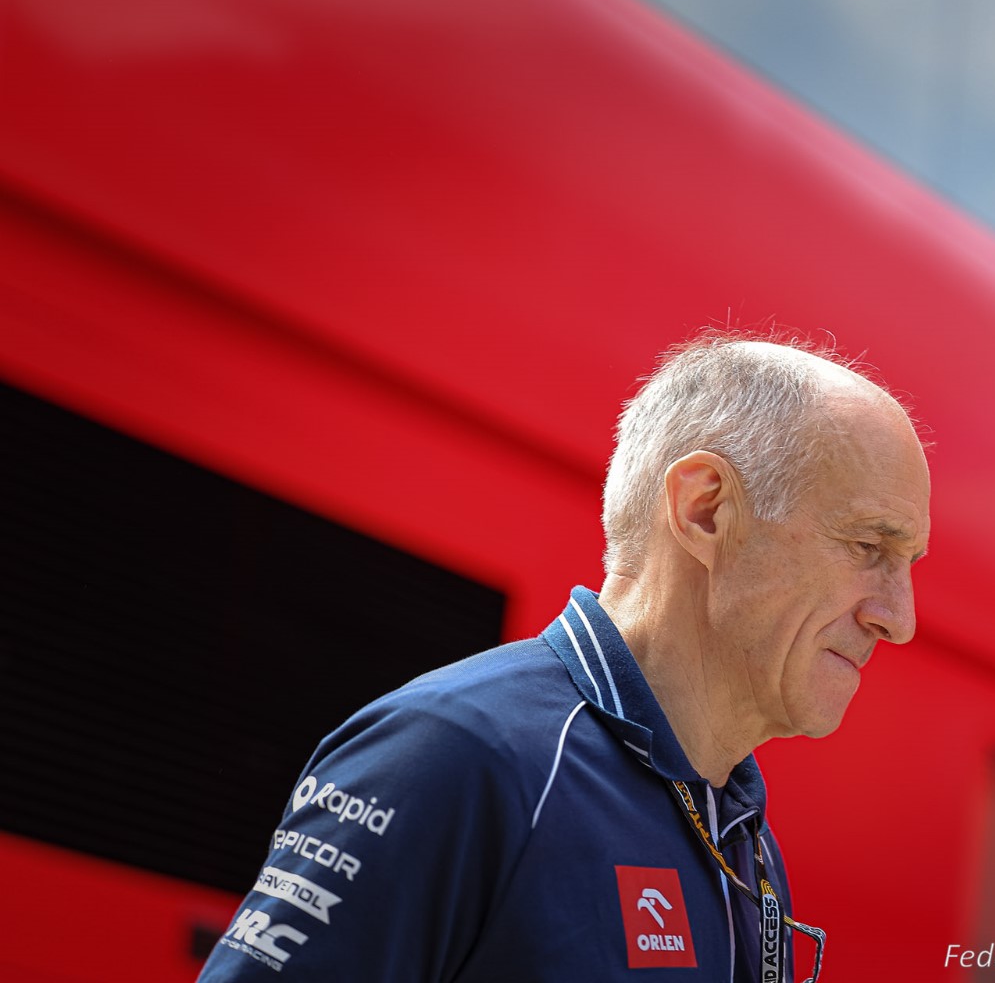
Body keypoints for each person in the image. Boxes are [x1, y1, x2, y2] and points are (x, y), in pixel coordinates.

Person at [197, 331, 931, 983]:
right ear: (706, 510)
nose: (898, 619)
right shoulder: (454, 755)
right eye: (869, 548)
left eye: (907, 566)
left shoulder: (741, 829)